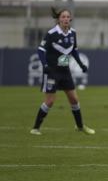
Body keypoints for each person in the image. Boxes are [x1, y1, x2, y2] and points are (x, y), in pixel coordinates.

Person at [30, 7, 95, 135]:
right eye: (63, 17)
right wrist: (45, 65)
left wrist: (81, 64)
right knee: (50, 101)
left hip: (65, 71)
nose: (65, 19)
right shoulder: (52, 33)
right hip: (52, 71)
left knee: (74, 100)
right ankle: (35, 128)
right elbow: (40, 50)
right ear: (59, 19)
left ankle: (80, 126)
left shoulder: (72, 33)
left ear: (70, 19)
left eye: (67, 17)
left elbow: (73, 50)